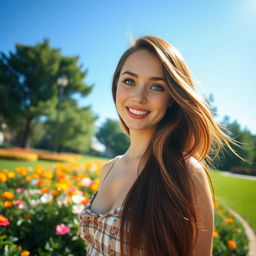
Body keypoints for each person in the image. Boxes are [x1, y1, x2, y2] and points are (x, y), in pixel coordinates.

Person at [77, 35, 241, 256]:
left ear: (172, 97)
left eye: (156, 86)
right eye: (129, 81)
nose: (138, 96)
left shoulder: (185, 172)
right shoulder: (108, 169)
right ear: (116, 85)